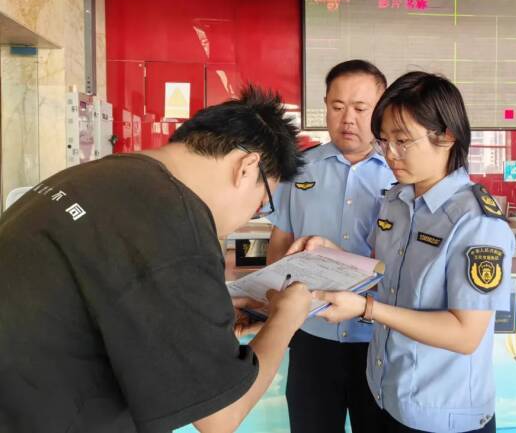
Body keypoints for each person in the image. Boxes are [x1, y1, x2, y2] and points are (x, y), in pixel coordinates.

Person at [0, 86, 313, 433]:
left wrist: (201, 315)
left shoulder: (100, 174)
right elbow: (221, 416)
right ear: (247, 167)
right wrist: (286, 317)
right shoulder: (177, 221)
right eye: (260, 203)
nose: (249, 216)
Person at [290, 72, 515, 433]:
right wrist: (334, 254)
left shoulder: (476, 221)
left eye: (403, 141)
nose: (390, 154)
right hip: (388, 398)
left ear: (447, 136)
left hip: (442, 415)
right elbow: (387, 278)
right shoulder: (397, 201)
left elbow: (465, 334)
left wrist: (366, 309)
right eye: (385, 140)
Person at [267, 60, 396, 433]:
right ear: (324, 106)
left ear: (381, 110)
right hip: (312, 336)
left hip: (378, 337)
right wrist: (275, 307)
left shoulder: (402, 172)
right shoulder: (298, 169)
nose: (347, 119)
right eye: (337, 107)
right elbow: (280, 240)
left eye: (360, 108)